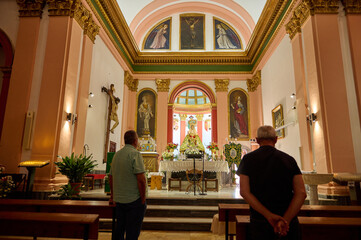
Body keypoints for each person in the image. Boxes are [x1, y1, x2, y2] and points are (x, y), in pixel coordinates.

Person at [236, 126, 306, 240]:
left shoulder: (248, 159)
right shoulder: (289, 159)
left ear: (257, 140)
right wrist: (285, 220)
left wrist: (269, 216)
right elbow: (301, 193)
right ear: (276, 139)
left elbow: (244, 191)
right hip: (288, 223)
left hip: (260, 221)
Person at [109, 130, 147, 240]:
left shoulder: (117, 155)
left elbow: (110, 177)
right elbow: (141, 180)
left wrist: (112, 196)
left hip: (119, 200)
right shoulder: (135, 154)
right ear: (135, 141)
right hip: (134, 200)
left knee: (120, 228)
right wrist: (143, 198)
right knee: (132, 232)